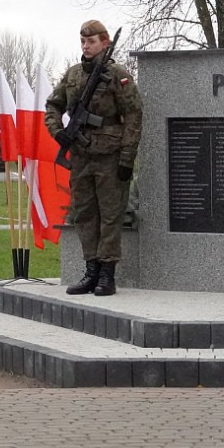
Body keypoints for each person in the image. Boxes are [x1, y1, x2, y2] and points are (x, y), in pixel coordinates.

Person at [44, 20, 143, 297]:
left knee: (110, 215)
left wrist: (127, 157)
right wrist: (58, 132)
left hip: (110, 156)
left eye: (91, 42)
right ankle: (90, 271)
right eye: (83, 42)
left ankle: (106, 275)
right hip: (80, 155)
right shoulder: (73, 75)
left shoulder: (118, 75)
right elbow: (53, 105)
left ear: (105, 43)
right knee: (84, 214)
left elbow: (134, 115)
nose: (86, 47)